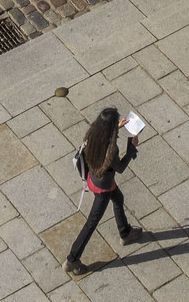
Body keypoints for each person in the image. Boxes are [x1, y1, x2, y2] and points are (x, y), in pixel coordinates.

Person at [66, 107, 141, 274]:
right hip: (103, 187)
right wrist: (132, 148)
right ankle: (72, 259)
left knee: (119, 199)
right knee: (92, 222)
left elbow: (103, 135)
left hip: (93, 177)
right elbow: (120, 167)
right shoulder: (111, 149)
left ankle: (125, 232)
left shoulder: (93, 131)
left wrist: (116, 128)